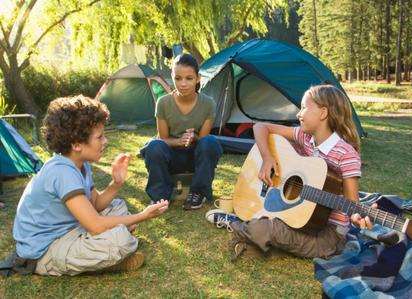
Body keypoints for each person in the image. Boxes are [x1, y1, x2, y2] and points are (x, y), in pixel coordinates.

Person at [10, 95, 169, 276]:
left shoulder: (80, 163)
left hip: (70, 228)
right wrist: (142, 216)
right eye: (99, 137)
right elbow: (96, 225)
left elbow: (95, 205)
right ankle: (112, 261)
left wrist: (116, 184)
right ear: (77, 144)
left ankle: (111, 247)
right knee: (120, 240)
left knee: (117, 206)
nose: (105, 141)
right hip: (44, 250)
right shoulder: (62, 172)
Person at [230, 84, 373, 260]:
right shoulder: (305, 137)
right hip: (298, 220)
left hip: (327, 236)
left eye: (304, 108)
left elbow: (353, 204)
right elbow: (260, 127)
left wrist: (358, 217)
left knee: (263, 228)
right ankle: (253, 231)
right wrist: (267, 158)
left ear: (323, 113)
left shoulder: (346, 154)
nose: (299, 113)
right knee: (264, 221)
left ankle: (237, 226)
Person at [140, 53, 223, 210]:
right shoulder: (163, 102)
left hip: (196, 158)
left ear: (198, 78)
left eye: (189, 78)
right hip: (171, 157)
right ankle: (160, 197)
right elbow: (162, 138)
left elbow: (203, 140)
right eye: (178, 78)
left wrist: (193, 137)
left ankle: (197, 193)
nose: (183, 84)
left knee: (210, 142)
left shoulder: (208, 104)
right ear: (172, 77)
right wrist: (178, 141)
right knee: (154, 146)